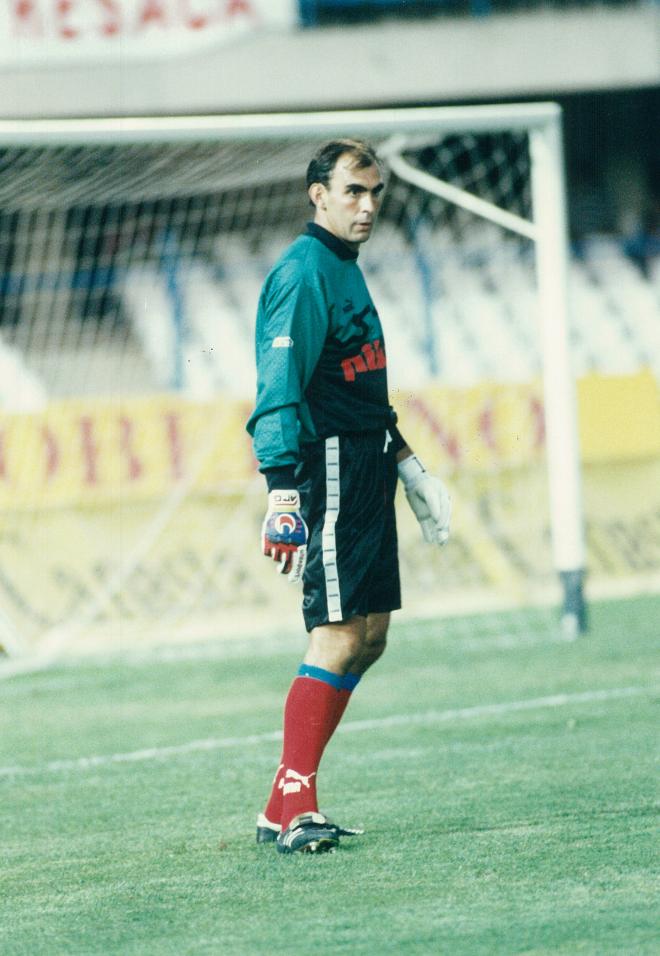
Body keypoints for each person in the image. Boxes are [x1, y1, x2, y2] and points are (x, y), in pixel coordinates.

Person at [246, 139, 451, 855]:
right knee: (334, 633)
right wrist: (281, 491)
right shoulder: (303, 274)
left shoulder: (344, 269)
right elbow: (279, 389)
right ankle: (299, 807)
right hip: (325, 467)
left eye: (376, 194)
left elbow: (358, 385)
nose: (367, 206)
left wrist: (408, 462)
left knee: (370, 637)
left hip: (366, 462)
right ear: (318, 194)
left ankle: (281, 802)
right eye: (353, 192)